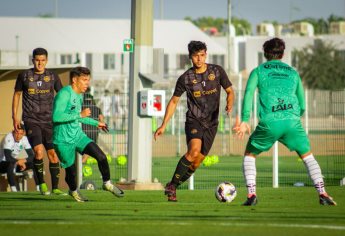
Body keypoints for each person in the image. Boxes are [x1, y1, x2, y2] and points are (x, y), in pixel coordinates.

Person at [233, 37, 336, 206]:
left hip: (270, 122)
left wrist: (245, 120)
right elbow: (302, 105)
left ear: (265, 53)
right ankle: (322, 192)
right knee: (308, 156)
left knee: (250, 155)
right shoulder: (293, 72)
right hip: (292, 121)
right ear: (283, 53)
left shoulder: (258, 71)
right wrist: (293, 117)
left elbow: (248, 94)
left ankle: (252, 195)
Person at [154, 41, 235, 202]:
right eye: (196, 56)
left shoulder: (217, 71)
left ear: (206, 54)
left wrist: (229, 102)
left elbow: (230, 91)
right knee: (193, 151)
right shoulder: (185, 78)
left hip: (212, 123)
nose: (199, 59)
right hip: (194, 120)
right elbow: (174, 102)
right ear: (190, 57)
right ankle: (172, 186)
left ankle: (173, 186)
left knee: (197, 162)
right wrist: (164, 125)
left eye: (202, 55)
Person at [52, 66, 124, 202]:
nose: (87, 83)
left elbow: (79, 117)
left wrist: (96, 123)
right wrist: (79, 114)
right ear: (74, 80)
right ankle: (73, 191)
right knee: (71, 173)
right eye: (84, 80)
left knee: (101, 157)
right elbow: (56, 117)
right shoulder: (64, 94)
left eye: (88, 80)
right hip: (63, 140)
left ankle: (107, 183)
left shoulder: (80, 95)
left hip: (78, 135)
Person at [12, 47, 66, 196]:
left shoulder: (53, 76)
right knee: (38, 151)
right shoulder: (24, 75)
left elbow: (62, 96)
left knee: (53, 154)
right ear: (33, 60)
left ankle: (55, 188)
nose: (40, 63)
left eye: (43, 60)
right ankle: (41, 184)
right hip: (31, 120)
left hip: (49, 121)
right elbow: (17, 95)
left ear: (46, 61)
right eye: (37, 60)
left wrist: (63, 115)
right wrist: (14, 116)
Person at [0, 126, 37, 192]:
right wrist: (18, 162)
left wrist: (23, 161)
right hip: (3, 164)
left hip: (16, 164)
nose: (18, 136)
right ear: (13, 132)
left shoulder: (24, 139)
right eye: (16, 133)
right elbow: (8, 157)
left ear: (23, 133)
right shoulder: (8, 137)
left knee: (35, 163)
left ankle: (39, 187)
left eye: (21, 134)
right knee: (10, 163)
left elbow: (32, 155)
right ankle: (14, 189)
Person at [81, 88, 104, 163]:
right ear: (92, 100)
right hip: (93, 132)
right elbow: (101, 119)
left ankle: (80, 163)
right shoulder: (97, 108)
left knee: (82, 148)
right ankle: (82, 161)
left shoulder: (81, 108)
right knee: (90, 149)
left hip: (83, 131)